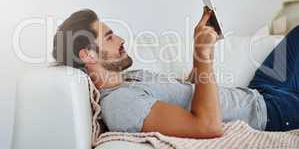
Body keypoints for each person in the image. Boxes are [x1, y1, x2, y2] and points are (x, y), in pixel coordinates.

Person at [52, 8, 299, 139]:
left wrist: (199, 45)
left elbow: (188, 91)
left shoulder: (131, 78)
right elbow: (208, 126)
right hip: (269, 113)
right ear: (88, 56)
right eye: (109, 37)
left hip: (259, 92)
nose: (120, 39)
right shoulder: (120, 104)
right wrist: (204, 56)